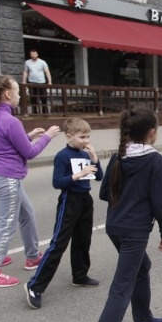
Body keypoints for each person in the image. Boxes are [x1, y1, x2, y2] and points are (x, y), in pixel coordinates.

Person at [83, 108, 162, 322]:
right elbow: (160, 202)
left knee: (142, 268)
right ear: (152, 132)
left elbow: (104, 193)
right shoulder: (156, 161)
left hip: (115, 227)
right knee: (121, 287)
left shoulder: (119, 156)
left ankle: (143, 319)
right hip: (135, 232)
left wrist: (125, 201)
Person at [0, 75, 61, 289]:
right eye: (17, 91)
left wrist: (29, 135)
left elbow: (5, 143)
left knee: (27, 214)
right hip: (8, 177)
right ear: (8, 94)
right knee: (6, 225)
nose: (19, 96)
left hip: (0, 174)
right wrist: (47, 136)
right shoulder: (11, 120)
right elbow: (29, 152)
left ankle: (32, 256)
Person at [25, 118, 103, 310]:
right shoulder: (63, 156)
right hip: (70, 200)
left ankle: (80, 275)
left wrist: (95, 159)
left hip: (85, 200)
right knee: (58, 244)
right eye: (82, 137)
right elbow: (57, 182)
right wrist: (78, 175)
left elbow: (99, 177)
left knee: (83, 240)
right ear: (69, 137)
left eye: (88, 136)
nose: (86, 140)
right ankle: (35, 286)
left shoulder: (85, 153)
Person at [22, 49, 52, 114]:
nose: (33, 55)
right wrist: (24, 81)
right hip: (31, 82)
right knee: (33, 98)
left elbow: (47, 72)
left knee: (43, 98)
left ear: (37, 54)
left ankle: (45, 112)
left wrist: (50, 82)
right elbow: (25, 72)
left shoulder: (42, 62)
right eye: (32, 54)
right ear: (30, 55)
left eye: (35, 54)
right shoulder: (27, 62)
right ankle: (34, 112)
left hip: (41, 82)